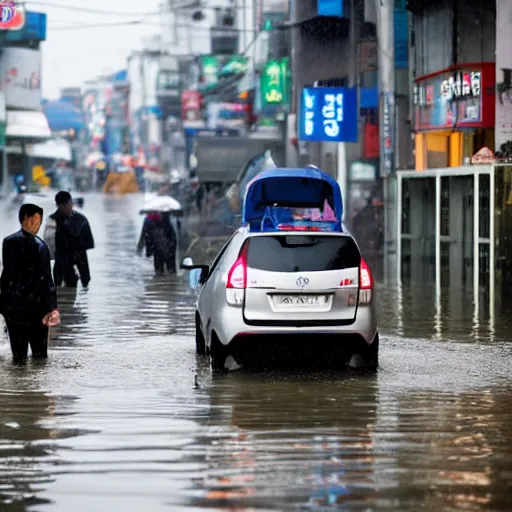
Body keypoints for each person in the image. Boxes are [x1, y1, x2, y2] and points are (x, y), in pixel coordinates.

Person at [0, 204, 61, 363]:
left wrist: (3, 304)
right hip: (35, 309)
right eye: (34, 220)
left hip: (17, 308)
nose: (37, 224)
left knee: (20, 359)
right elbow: (47, 280)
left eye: (39, 221)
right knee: (39, 358)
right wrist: (52, 307)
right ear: (24, 219)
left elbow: (7, 276)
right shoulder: (41, 246)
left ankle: (21, 387)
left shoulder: (9, 242)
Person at [45, 191, 95, 288]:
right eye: (62, 205)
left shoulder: (81, 219)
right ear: (58, 206)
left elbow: (88, 243)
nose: (65, 207)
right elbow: (49, 242)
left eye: (67, 204)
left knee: (84, 283)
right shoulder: (53, 220)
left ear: (71, 203)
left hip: (79, 256)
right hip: (62, 259)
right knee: (60, 286)